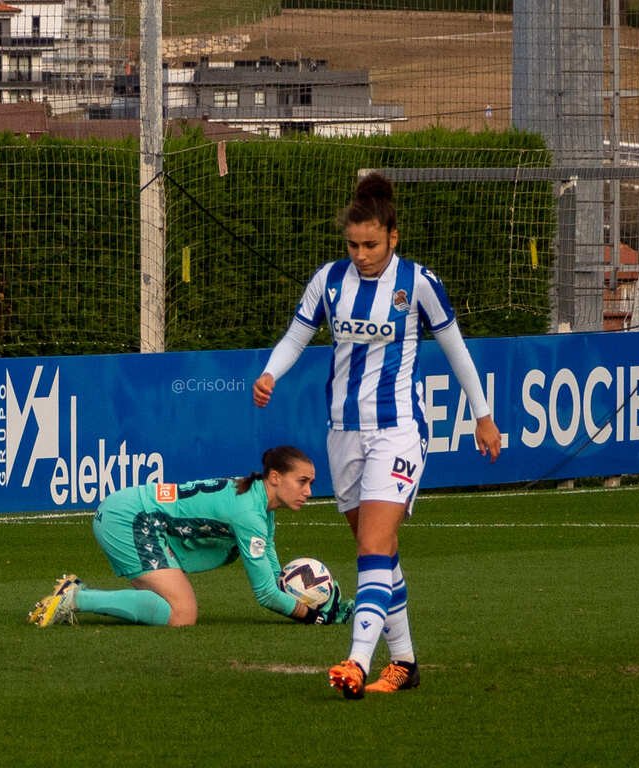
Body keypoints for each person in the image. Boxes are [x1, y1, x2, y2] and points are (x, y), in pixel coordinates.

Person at [253, 172, 502, 698]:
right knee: (379, 552)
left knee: (372, 544)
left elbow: (456, 349)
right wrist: (271, 373)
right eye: (353, 245)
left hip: (398, 430)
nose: (361, 255)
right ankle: (405, 662)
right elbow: (297, 336)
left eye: (371, 245)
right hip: (343, 433)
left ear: (393, 237)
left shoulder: (419, 283)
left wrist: (483, 416)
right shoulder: (329, 281)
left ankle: (357, 661)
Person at [27, 445, 352, 628]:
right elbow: (266, 593)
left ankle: (78, 595)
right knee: (182, 614)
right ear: (276, 477)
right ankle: (75, 598)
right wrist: (314, 616)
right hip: (130, 519)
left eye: (311, 483)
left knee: (168, 606)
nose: (309, 491)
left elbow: (273, 574)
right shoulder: (250, 514)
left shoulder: (259, 506)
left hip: (134, 515)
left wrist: (313, 600)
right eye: (302, 481)